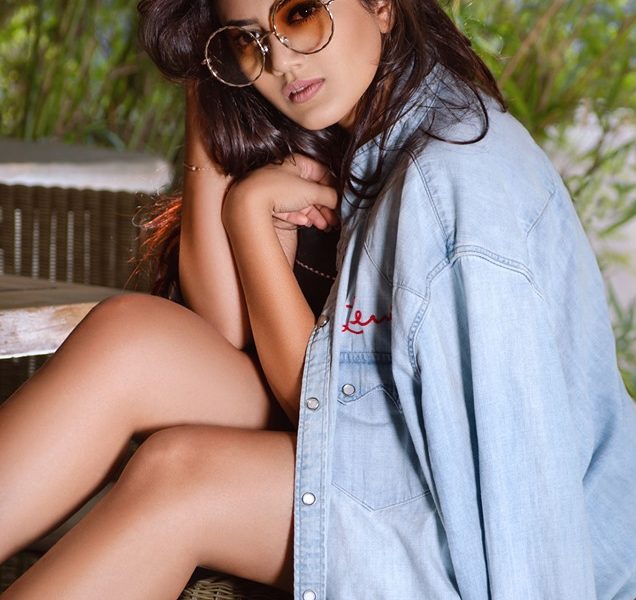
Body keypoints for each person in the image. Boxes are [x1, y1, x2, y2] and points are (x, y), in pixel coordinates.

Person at [0, 0, 635, 598]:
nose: (280, 60)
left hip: (471, 531)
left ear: (382, 5)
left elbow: (523, 487)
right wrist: (241, 188)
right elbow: (231, 338)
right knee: (131, 340)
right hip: (381, 440)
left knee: (180, 476)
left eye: (300, 13)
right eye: (248, 39)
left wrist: (250, 218)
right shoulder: (363, 128)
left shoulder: (453, 191)